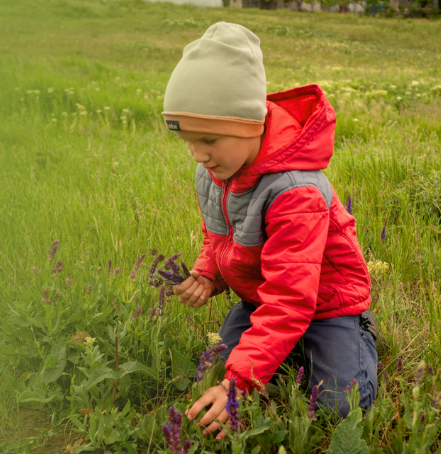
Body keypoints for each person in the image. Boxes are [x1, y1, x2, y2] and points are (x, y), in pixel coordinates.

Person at [159, 22, 379, 437]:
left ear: (250, 125)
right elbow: (218, 235)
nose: (198, 154)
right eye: (187, 140)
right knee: (213, 367)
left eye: (209, 139)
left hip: (324, 304)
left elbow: (292, 297)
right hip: (263, 297)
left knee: (339, 407)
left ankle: (359, 331)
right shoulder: (215, 170)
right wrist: (208, 273)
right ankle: (284, 349)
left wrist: (238, 385)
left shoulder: (295, 190)